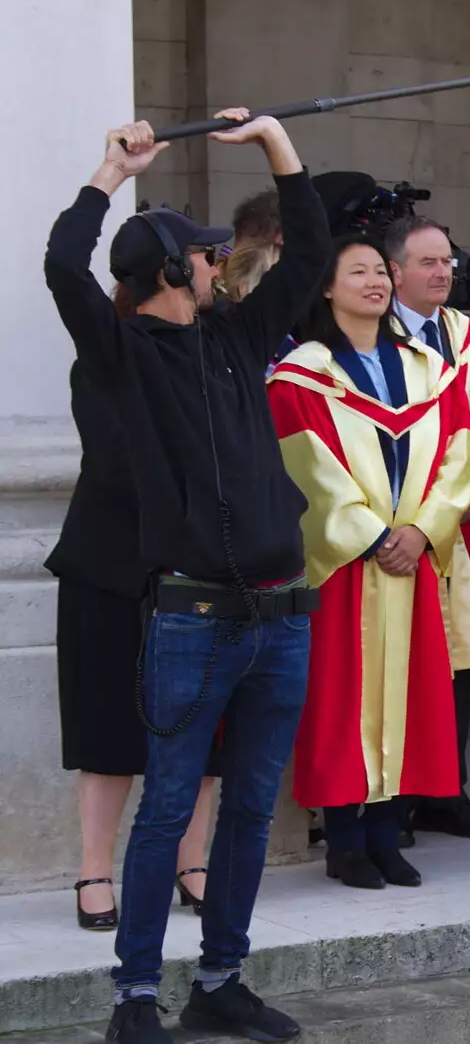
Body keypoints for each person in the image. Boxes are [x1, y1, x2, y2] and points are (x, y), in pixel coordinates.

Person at [45, 109, 329, 1044]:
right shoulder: (123, 354)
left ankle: (221, 977)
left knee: (249, 805)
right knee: (166, 805)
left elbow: (308, 251)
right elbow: (62, 264)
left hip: (281, 614)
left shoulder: (238, 338)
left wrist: (278, 146)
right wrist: (109, 171)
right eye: (203, 258)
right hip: (191, 617)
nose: (218, 267)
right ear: (170, 271)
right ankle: (134, 996)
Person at [268, 235, 470, 889]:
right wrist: (369, 535)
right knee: (341, 697)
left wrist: (421, 531)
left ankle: (388, 831)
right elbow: (309, 468)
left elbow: (456, 458)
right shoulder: (302, 374)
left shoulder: (428, 370)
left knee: (410, 696)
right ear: (327, 288)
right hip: (347, 565)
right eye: (358, 272)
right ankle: (345, 838)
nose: (376, 282)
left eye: (381, 271)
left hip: (410, 561)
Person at [48, 314, 219, 933]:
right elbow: (119, 462)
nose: (214, 271)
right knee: (106, 722)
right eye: (203, 259)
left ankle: (192, 863)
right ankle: (95, 870)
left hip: (202, 563)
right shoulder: (102, 360)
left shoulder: (213, 352)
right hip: (111, 565)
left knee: (204, 722)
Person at [384, 215, 470, 840]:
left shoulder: (467, 335)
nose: (444, 273)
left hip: (462, 533)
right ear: (395, 272)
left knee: (457, 660)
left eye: (448, 263)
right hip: (398, 535)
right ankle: (393, 798)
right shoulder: (369, 336)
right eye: (429, 263)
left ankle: (446, 788)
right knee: (399, 661)